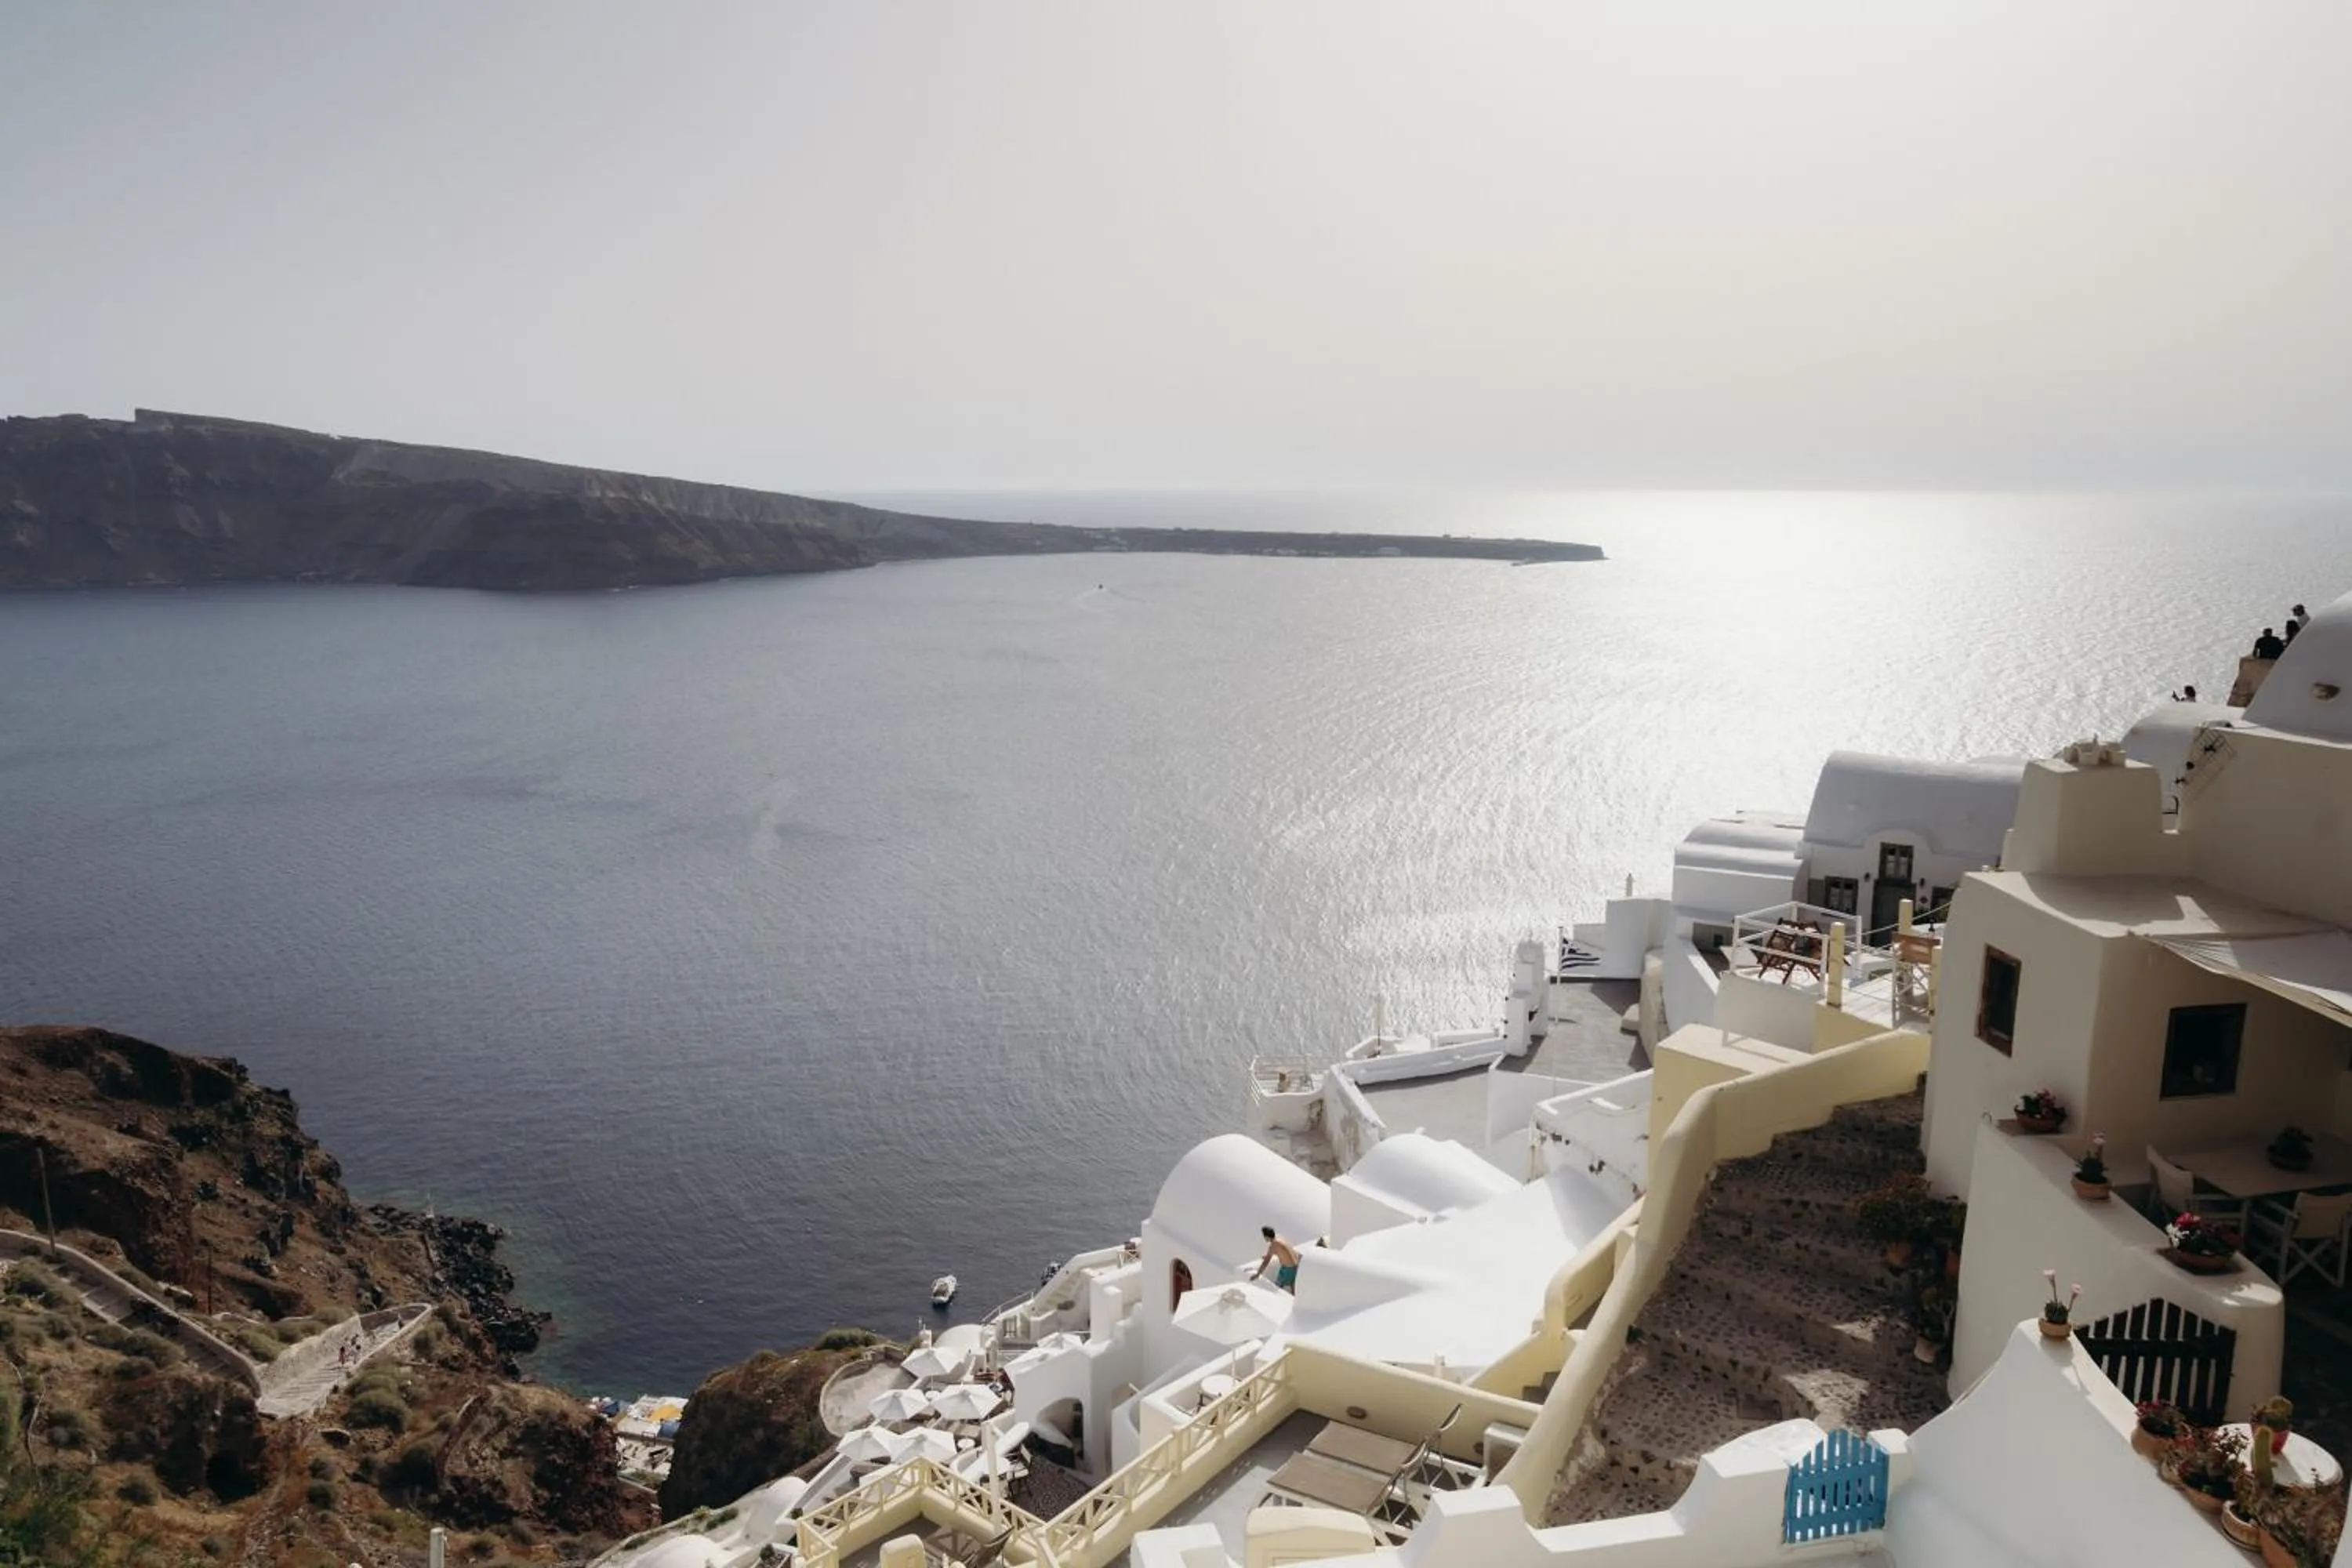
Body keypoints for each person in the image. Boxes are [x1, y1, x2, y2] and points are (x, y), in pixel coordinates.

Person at [1250, 1226, 1300, 1293]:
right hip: (1294, 1266)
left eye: (1264, 1236)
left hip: (1288, 1268)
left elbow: (1266, 1262)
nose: (1264, 1238)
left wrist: (1258, 1274)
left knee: (1277, 1288)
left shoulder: (1273, 1245)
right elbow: (1282, 1250)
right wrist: (1269, 1255)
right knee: (1292, 1286)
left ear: (1267, 1237)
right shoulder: (1279, 1239)